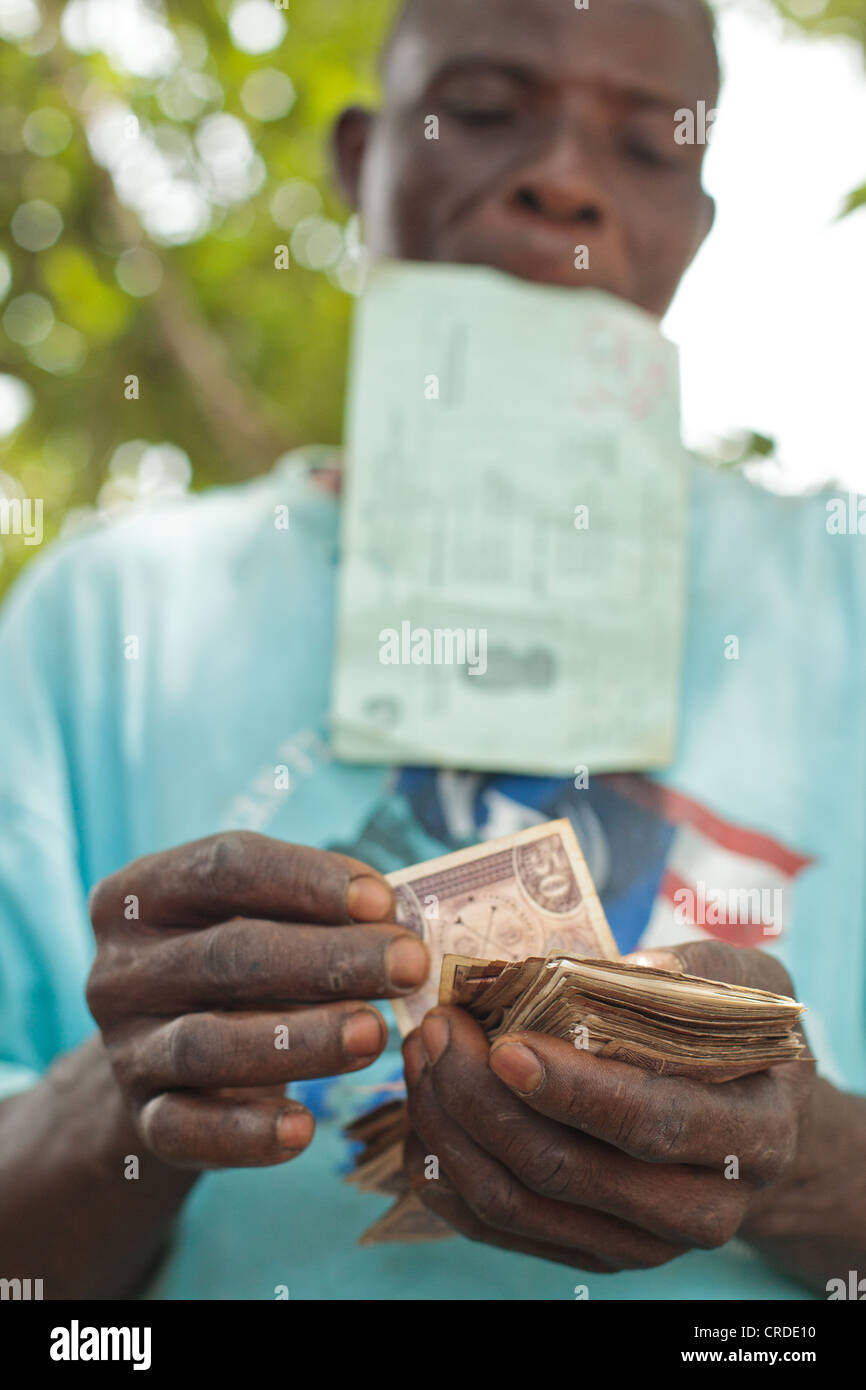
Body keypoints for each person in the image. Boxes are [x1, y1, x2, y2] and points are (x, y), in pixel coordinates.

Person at [1, 0, 864, 1302]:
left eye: (644, 149)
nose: (561, 179)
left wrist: (804, 1164)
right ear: (360, 163)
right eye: (482, 109)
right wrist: (120, 1099)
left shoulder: (842, 597)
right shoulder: (105, 618)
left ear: (697, 223)